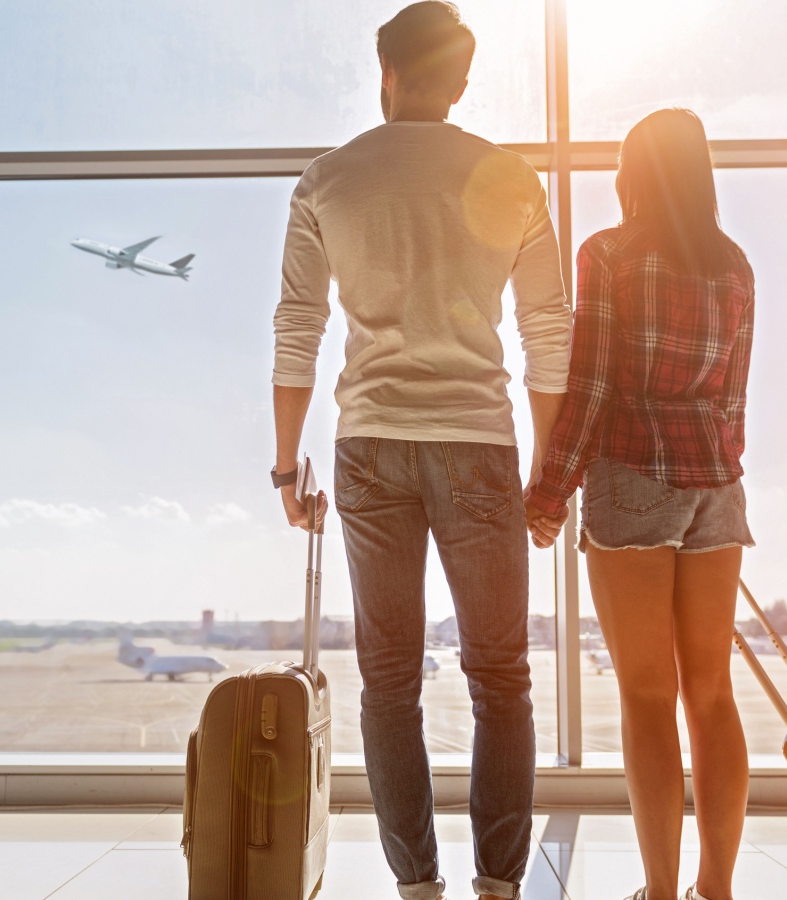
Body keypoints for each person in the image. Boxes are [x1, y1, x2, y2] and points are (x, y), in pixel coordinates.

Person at [270, 3, 571, 898]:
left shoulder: (328, 180)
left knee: (388, 681)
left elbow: (298, 329)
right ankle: (500, 885)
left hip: (369, 445)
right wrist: (548, 471)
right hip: (477, 441)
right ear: (463, 82)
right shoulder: (511, 177)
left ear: (386, 71)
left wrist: (287, 468)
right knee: (501, 677)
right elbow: (547, 330)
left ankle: (418, 888)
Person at [524, 108, 757, 900]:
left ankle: (661, 894)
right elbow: (735, 397)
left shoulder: (611, 254)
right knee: (713, 693)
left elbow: (589, 388)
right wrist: (718, 475)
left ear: (634, 173)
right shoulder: (735, 266)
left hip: (633, 480)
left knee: (648, 695)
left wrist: (550, 491)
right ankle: (714, 890)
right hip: (717, 488)